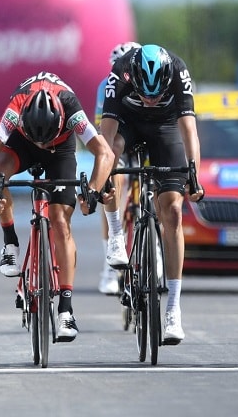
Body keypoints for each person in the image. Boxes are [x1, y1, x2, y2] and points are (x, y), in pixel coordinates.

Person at [0, 71, 115, 341]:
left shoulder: (71, 107)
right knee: (0, 175)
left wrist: (94, 192)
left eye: (44, 138)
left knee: (61, 222)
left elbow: (105, 153)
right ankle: (10, 242)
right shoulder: (16, 106)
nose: (42, 143)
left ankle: (66, 308)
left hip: (60, 150)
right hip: (21, 143)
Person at [99, 44, 204, 344]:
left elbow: (188, 132)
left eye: (155, 95)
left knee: (171, 211)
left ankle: (173, 308)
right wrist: (104, 176)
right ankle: (117, 234)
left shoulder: (179, 71)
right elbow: (105, 137)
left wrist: (192, 173)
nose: (149, 100)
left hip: (165, 128)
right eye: (144, 94)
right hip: (128, 127)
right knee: (113, 153)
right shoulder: (119, 73)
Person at [94, 41, 141, 295]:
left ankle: (153, 247)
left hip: (143, 136)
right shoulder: (106, 86)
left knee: (158, 185)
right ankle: (109, 268)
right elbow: (101, 132)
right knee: (112, 184)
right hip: (118, 137)